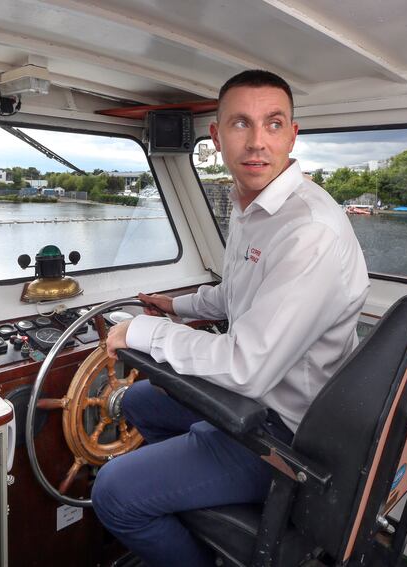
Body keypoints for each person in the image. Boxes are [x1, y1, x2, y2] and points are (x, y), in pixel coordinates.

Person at [91, 70, 370, 567]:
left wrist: (144, 331)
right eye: (241, 124)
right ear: (216, 137)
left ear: (292, 134)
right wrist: (176, 307)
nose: (257, 141)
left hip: (287, 435)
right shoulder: (255, 208)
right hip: (257, 402)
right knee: (138, 399)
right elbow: (236, 294)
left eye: (273, 123)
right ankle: (198, 505)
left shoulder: (308, 231)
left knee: (114, 492)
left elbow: (246, 367)